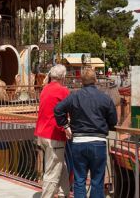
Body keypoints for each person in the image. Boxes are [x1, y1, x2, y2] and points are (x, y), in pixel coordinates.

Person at [54, 68, 117, 198]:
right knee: (97, 181)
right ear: (95, 80)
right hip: (98, 142)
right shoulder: (105, 98)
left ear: (81, 81)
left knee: (79, 180)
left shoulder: (74, 96)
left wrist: (66, 126)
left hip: (78, 143)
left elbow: (58, 109)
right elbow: (113, 120)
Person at [35, 64, 71, 198]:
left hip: (42, 133)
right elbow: (69, 111)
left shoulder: (45, 89)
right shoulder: (63, 91)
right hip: (54, 134)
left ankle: (64, 193)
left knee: (59, 164)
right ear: (63, 77)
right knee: (53, 169)